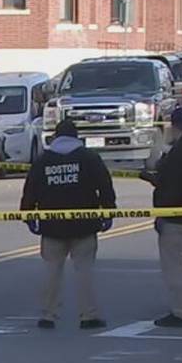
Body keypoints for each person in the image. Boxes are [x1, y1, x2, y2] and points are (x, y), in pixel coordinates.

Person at [20, 118, 117, 330]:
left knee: (51, 272)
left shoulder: (43, 161)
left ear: (55, 136)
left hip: (52, 227)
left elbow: (30, 190)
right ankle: (88, 315)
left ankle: (48, 315)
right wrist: (108, 212)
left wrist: (29, 216)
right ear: (76, 136)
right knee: (85, 272)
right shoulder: (89, 158)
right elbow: (105, 186)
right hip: (85, 225)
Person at [141, 106, 182, 328]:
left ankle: (181, 312)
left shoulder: (181, 152)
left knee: (174, 266)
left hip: (175, 215)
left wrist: (152, 178)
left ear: (173, 125)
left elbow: (171, 184)